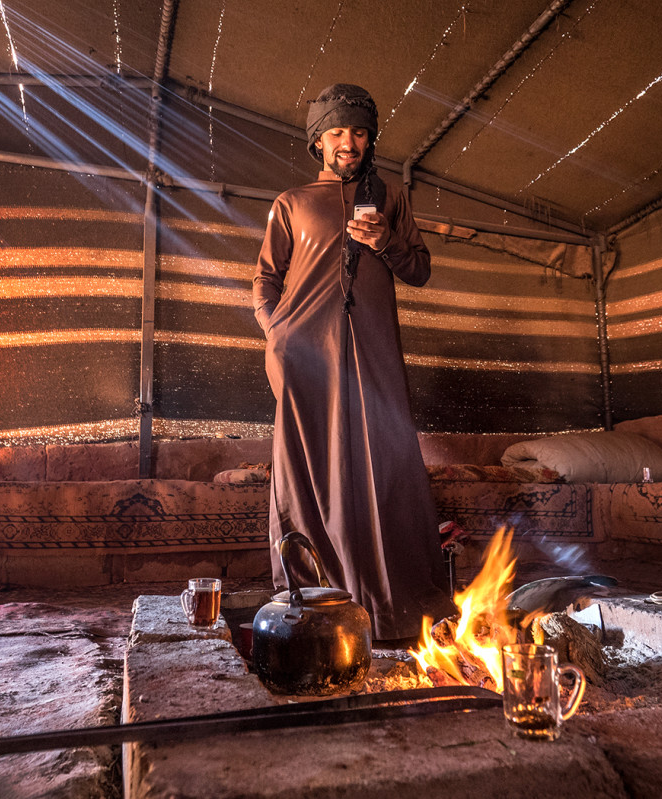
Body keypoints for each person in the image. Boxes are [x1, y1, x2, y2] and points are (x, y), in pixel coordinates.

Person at [252, 83, 454, 641]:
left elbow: (418, 269)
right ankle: (313, 603)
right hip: (304, 357)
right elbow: (266, 277)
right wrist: (278, 332)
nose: (349, 143)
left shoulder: (388, 198)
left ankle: (389, 606)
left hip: (373, 354)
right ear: (319, 141)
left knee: (384, 461)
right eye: (337, 132)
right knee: (310, 465)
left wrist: (387, 240)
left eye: (360, 133)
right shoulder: (291, 203)